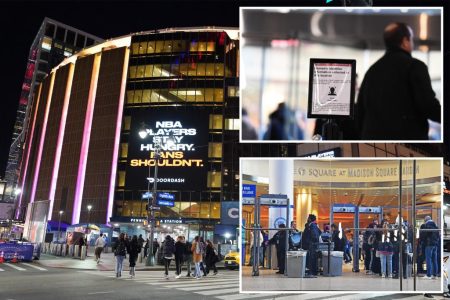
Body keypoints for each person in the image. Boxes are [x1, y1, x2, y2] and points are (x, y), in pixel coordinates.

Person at [357, 22, 441, 140]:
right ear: (405, 41)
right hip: (406, 144)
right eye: (411, 39)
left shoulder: (371, 71)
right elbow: (428, 106)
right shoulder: (415, 66)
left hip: (373, 143)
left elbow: (360, 113)